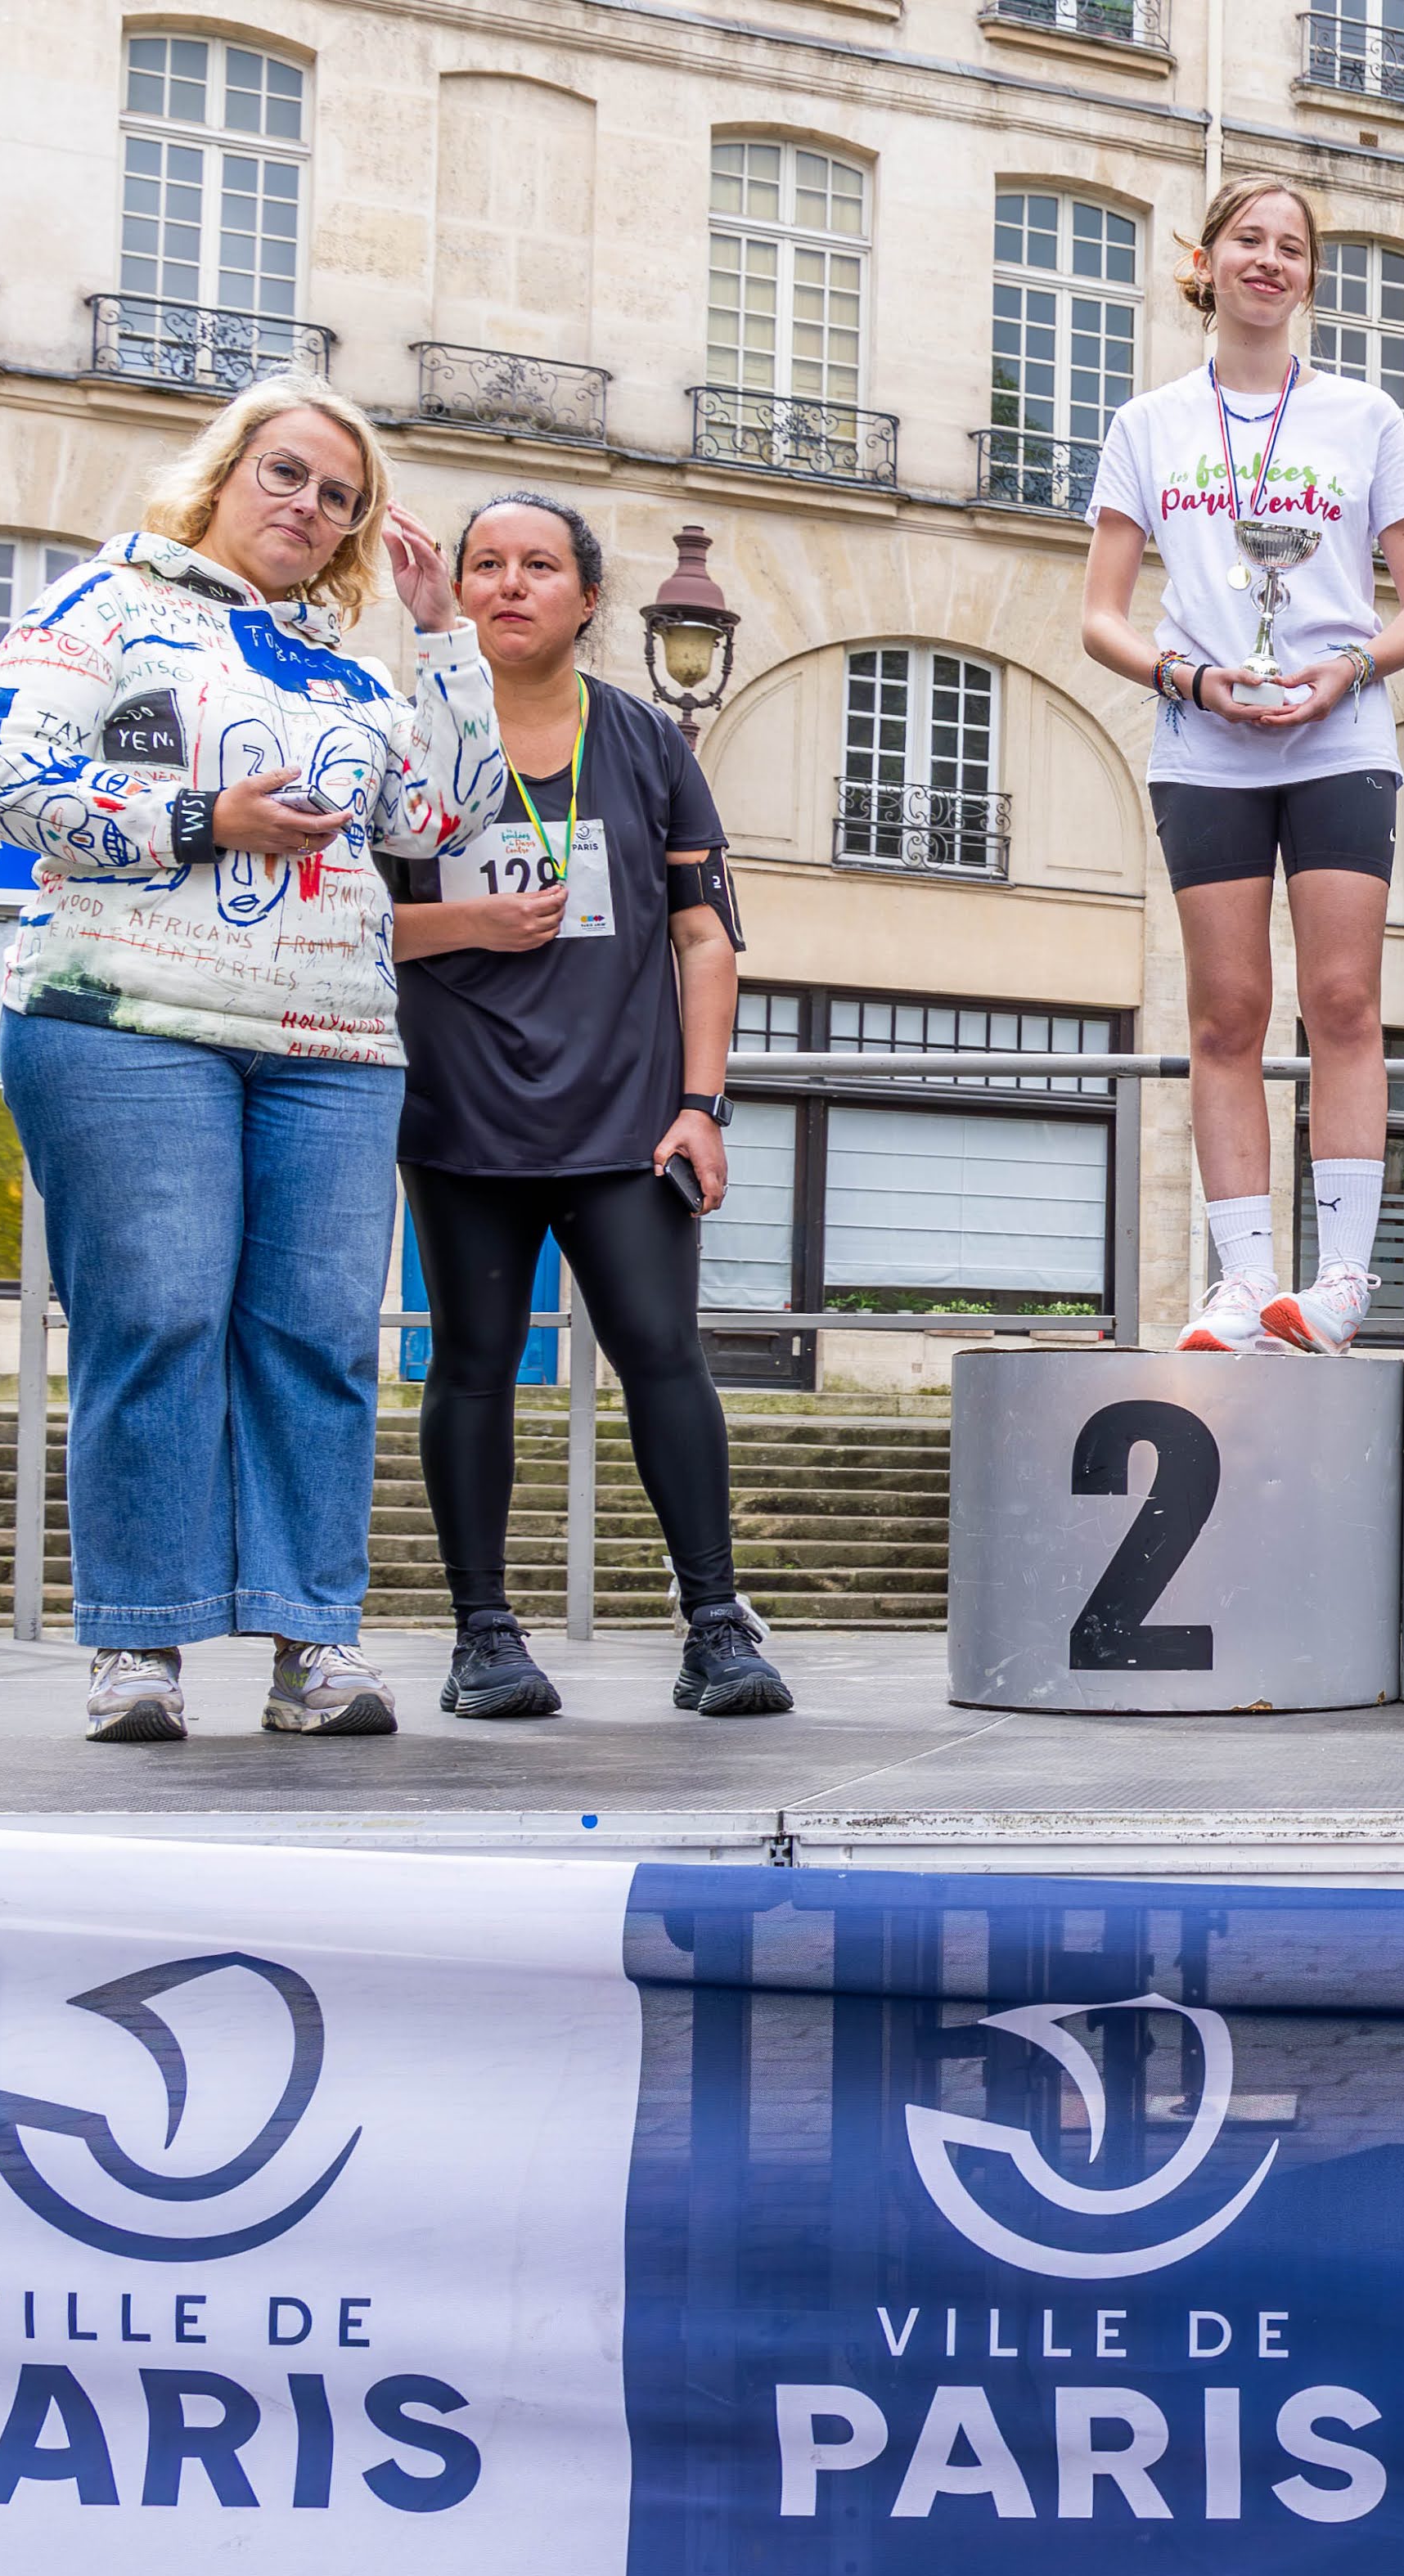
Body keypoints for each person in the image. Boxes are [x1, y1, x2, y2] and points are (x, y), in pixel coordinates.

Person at [0, 376, 498, 1742]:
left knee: (319, 1343)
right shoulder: (107, 605)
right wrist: (204, 816)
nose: (308, 508)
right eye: (287, 475)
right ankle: (138, 1648)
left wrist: (442, 640)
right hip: (124, 1019)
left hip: (333, 1042)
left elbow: (445, 811)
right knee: (158, 1320)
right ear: (222, 473)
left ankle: (313, 1641)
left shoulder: (355, 669)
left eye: (339, 498)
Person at [380, 492, 790, 1724]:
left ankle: (716, 1623)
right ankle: (482, 1635)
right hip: (462, 1119)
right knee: (472, 1366)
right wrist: (467, 924)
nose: (510, 584)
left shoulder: (649, 745)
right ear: (452, 590)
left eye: (539, 565)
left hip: (625, 1123)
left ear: (587, 598)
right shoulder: (411, 743)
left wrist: (700, 1103)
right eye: (486, 564)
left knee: (667, 1358)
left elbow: (705, 937)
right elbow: (341, 922)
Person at [1082, 173, 1404, 1355]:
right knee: (1226, 1013)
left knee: (1344, 1001)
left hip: (1336, 734)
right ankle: (1241, 1280)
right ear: (1210, 257)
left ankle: (1340, 1278)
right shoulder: (1147, 424)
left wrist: (1346, 670)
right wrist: (1186, 679)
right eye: (1250, 238)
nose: (1271, 260)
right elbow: (1100, 615)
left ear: (1307, 276)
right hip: (1206, 743)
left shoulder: (1364, 416)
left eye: (1292, 247)